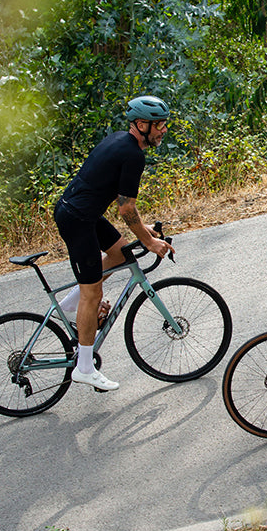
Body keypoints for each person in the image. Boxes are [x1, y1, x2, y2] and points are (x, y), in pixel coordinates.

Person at [53, 95, 172, 392]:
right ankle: (84, 368)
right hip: (78, 220)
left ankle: (71, 303)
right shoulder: (134, 156)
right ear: (142, 124)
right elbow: (126, 208)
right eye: (159, 125)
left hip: (81, 212)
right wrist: (150, 242)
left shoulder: (120, 141)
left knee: (120, 254)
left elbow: (106, 192)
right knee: (93, 294)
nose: (164, 131)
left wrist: (140, 228)